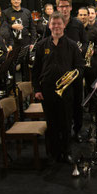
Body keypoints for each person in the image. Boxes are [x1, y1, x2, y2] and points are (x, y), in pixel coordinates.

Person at [32, 12, 85, 164]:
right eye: (53, 24)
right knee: (51, 123)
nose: (56, 26)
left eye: (59, 23)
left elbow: (80, 67)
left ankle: (66, 151)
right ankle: (54, 153)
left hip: (66, 91)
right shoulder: (42, 45)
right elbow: (36, 70)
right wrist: (37, 89)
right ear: (49, 26)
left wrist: (72, 77)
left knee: (66, 123)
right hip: (47, 90)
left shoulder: (72, 45)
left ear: (63, 26)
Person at [52, 0, 87, 141]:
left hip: (75, 69)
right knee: (61, 104)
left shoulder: (78, 24)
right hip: (59, 70)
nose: (64, 9)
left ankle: (77, 130)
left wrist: (80, 51)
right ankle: (63, 131)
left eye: (66, 6)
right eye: (61, 6)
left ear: (71, 7)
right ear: (57, 8)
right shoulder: (54, 24)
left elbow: (85, 43)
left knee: (77, 102)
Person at [2, 0, 36, 80]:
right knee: (13, 66)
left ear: (20, 0)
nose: (16, 1)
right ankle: (14, 88)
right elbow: (2, 27)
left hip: (25, 42)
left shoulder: (27, 12)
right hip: (13, 43)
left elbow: (32, 28)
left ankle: (26, 87)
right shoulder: (5, 13)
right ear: (11, 1)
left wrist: (32, 42)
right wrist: (11, 26)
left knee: (26, 66)